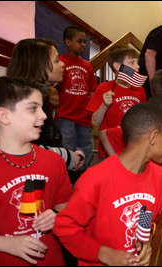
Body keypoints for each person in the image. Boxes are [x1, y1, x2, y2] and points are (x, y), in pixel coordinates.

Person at [53, 103, 162, 265]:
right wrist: (102, 253)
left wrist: (146, 242)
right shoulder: (96, 178)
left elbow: (149, 220)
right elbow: (65, 227)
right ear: (153, 137)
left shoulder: (161, 179)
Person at [0, 77, 73, 265]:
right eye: (33, 108)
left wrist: (58, 218)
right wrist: (7, 243)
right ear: (4, 116)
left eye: (42, 107)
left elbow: (71, 211)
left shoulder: (54, 161)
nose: (44, 116)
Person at [0, 38, 85, 173]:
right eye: (56, 60)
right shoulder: (20, 102)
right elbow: (26, 148)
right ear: (38, 65)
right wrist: (69, 157)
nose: (62, 64)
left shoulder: (42, 98)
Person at [86, 45, 147, 161]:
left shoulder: (140, 90)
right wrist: (104, 105)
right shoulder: (103, 88)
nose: (138, 66)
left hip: (133, 149)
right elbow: (95, 122)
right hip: (109, 150)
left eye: (137, 62)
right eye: (132, 62)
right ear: (117, 66)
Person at [55, 26, 98, 170]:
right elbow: (52, 85)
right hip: (65, 116)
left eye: (85, 42)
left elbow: (92, 90)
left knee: (86, 148)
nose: (83, 45)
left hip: (84, 117)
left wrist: (92, 112)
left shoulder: (87, 66)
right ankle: (69, 180)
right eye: (79, 41)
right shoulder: (60, 62)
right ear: (68, 42)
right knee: (67, 147)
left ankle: (82, 179)